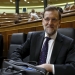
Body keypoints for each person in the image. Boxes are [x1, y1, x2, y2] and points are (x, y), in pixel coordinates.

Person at [10, 6, 75, 75]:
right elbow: (16, 53)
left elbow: (73, 68)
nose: (50, 23)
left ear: (59, 22)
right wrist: (23, 67)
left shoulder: (69, 43)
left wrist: (50, 67)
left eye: (54, 19)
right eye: (47, 19)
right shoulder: (34, 38)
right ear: (42, 21)